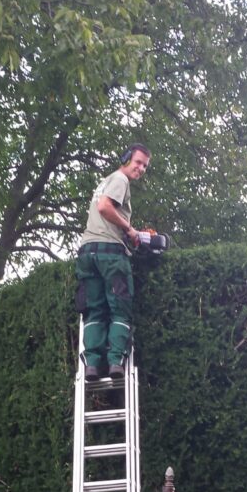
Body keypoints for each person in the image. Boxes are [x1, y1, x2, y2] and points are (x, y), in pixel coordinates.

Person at [76, 144, 151, 380]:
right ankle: (116, 362)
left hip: (88, 252)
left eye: (145, 166)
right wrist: (130, 230)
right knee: (120, 309)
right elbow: (105, 207)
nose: (141, 168)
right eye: (138, 162)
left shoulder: (106, 180)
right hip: (110, 252)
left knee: (94, 310)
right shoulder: (120, 179)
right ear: (126, 158)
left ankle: (92, 365)